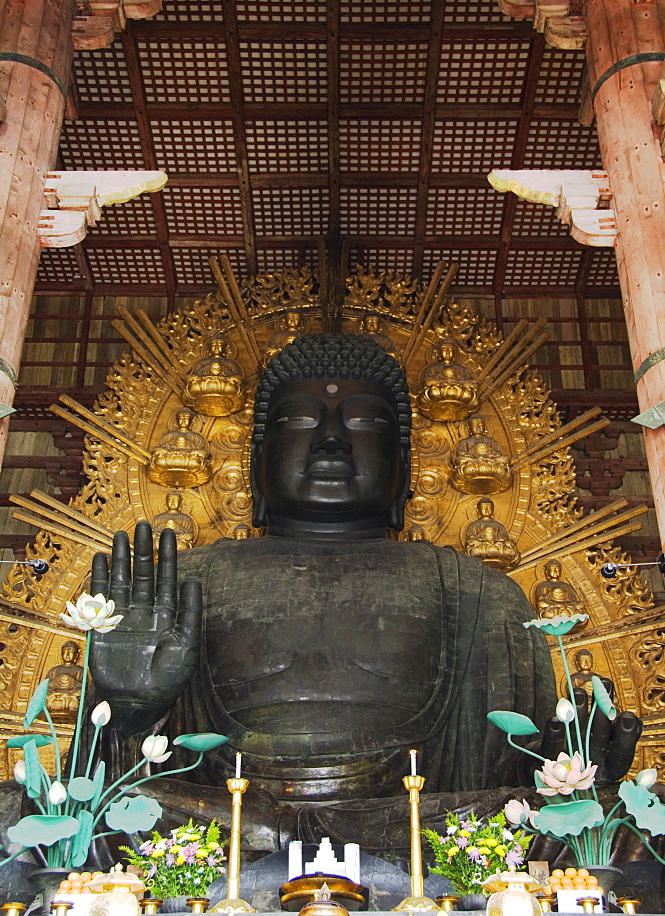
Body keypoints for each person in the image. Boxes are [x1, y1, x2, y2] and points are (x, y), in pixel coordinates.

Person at [86, 334, 639, 853]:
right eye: (299, 420)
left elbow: (518, 780)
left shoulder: (483, 595)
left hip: (425, 831)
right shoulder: (179, 586)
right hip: (221, 827)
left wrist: (579, 781)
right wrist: (132, 710)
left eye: (367, 422)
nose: (331, 440)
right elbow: (94, 781)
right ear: (256, 460)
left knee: (610, 821)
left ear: (405, 467)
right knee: (89, 811)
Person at [44, 641, 83, 721]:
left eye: (71, 652)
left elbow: (84, 688)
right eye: (65, 652)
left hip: (70, 696)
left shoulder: (80, 670)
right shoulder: (54, 670)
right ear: (61, 654)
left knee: (77, 697)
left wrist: (71, 680)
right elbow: (46, 687)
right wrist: (58, 680)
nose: (67, 655)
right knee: (46, 696)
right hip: (55, 695)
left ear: (76, 655)